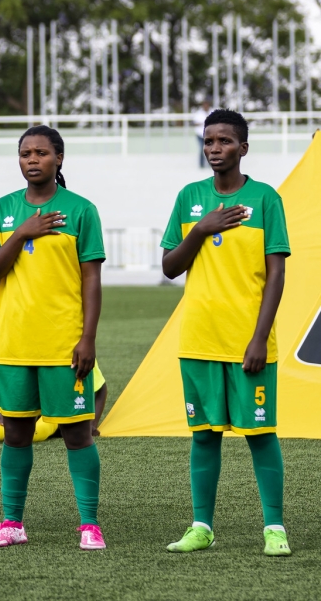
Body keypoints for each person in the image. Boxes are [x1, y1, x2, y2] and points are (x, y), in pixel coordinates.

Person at [161, 109, 292, 557]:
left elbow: (276, 275)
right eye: (209, 141)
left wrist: (259, 337)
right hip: (198, 339)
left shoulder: (265, 200)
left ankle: (274, 527)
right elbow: (170, 266)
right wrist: (200, 229)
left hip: (248, 342)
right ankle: (202, 526)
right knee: (203, 434)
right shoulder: (189, 198)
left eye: (224, 142)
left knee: (260, 433)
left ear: (243, 148)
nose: (215, 149)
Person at [0, 125, 106, 551]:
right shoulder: (2, 211)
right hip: (13, 344)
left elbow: (91, 280)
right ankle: (12, 523)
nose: (32, 160)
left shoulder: (81, 210)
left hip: (63, 344)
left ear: (59, 159)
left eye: (41, 153)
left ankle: (90, 524)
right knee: (16, 433)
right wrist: (21, 234)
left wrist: (87, 338)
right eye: (25, 153)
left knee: (77, 433)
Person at [0, 363, 109, 443]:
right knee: (21, 422)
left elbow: (101, 389)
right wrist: (4, 412)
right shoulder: (34, 355)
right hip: (38, 408)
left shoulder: (77, 352)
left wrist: (92, 424)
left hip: (65, 411)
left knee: (48, 424)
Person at [192, 100, 211, 169]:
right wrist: (202, 123)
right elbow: (194, 123)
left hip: (209, 135)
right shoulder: (199, 113)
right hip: (200, 135)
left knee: (210, 150)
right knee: (201, 149)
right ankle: (201, 165)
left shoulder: (211, 112)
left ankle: (210, 164)